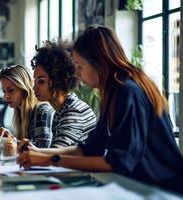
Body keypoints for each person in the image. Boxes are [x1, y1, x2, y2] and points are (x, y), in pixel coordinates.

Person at [18, 25, 183, 194]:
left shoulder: (127, 91)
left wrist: (50, 160)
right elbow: (89, 149)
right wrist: (39, 152)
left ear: (98, 63)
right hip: (142, 187)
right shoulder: (114, 92)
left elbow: (116, 163)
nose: (77, 74)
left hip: (164, 190)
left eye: (80, 66)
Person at [23, 39, 96, 152]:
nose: (34, 88)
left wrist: (26, 149)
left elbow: (57, 151)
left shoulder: (73, 111)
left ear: (58, 80)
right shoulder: (62, 109)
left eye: (41, 81)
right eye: (35, 81)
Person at [0, 65, 54, 148]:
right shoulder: (20, 112)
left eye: (11, 90)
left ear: (24, 89)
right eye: (4, 91)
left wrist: (11, 140)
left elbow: (41, 148)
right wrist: (8, 138)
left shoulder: (42, 111)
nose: (5, 96)